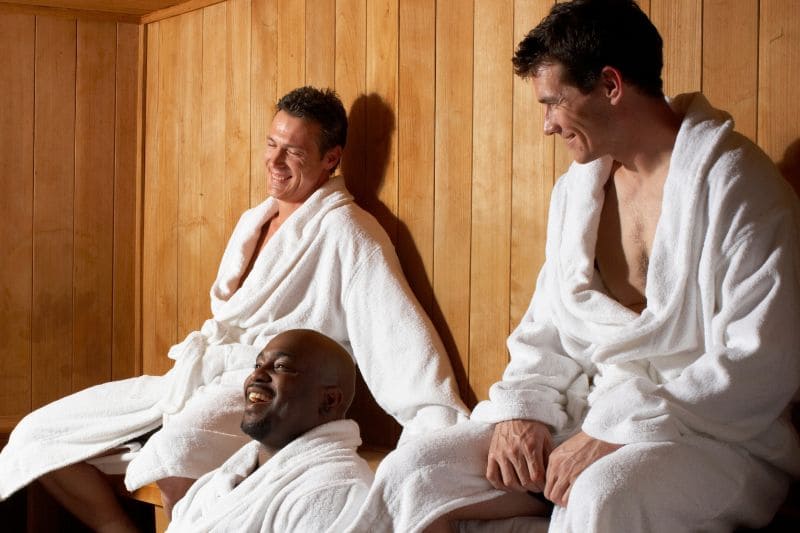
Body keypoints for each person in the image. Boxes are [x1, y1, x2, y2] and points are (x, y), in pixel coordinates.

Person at [350, 1, 800, 532]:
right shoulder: (576, 193)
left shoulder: (736, 188)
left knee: (602, 494)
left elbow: (759, 362)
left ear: (610, 85)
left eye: (554, 103)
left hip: (714, 437)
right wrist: (525, 409)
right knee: (413, 470)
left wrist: (619, 427)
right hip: (591, 413)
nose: (546, 126)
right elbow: (548, 324)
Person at [0, 86, 468, 531]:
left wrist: (438, 426)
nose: (276, 161)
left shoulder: (349, 233)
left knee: (177, 447)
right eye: (272, 143)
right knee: (37, 432)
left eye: (294, 152)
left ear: (331, 159)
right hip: (205, 373)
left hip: (278, 395)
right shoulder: (255, 219)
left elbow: (395, 331)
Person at [166, 328, 373, 532]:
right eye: (257, 364)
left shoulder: (336, 491)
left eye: (281, 366)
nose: (257, 375)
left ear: (329, 400)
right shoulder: (216, 483)